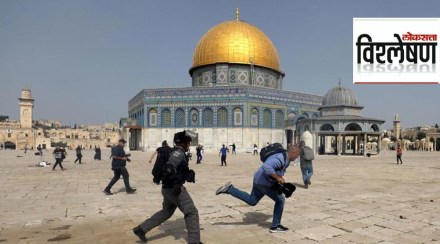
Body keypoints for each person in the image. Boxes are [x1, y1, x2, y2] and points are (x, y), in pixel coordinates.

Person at [133, 130, 202, 244]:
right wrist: (176, 183)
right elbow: (170, 167)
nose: (189, 145)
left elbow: (176, 169)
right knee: (191, 212)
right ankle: (194, 241)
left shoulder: (176, 151)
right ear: (184, 143)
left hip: (166, 188)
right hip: (174, 189)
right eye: (188, 143)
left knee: (166, 211)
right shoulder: (178, 153)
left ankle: (141, 229)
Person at [216, 144, 301, 233]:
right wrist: (278, 178)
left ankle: (229, 189)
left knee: (252, 201)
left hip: (259, 179)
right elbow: (267, 166)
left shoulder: (286, 159)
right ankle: (275, 225)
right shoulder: (280, 158)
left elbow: (277, 170)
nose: (298, 157)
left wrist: (279, 182)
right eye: (297, 155)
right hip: (263, 182)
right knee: (280, 199)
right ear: (293, 153)